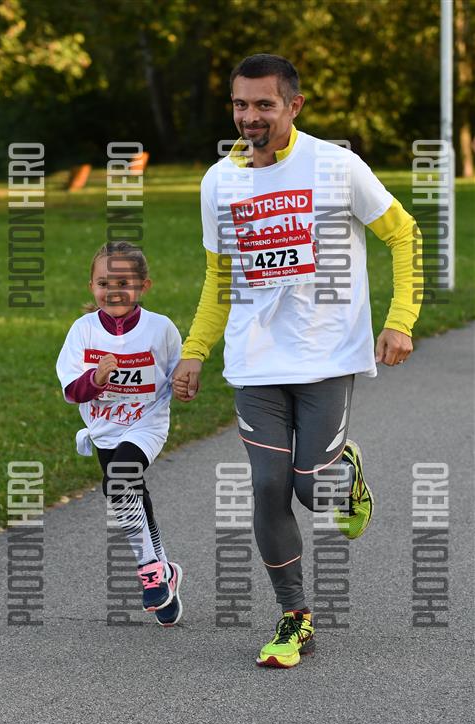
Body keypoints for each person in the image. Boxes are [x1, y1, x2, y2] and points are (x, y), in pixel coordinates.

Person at [173, 54, 423, 666]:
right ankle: (295, 617)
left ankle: (344, 473)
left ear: (294, 105)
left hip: (326, 355)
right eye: (240, 104)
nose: (250, 116)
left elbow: (404, 233)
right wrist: (195, 351)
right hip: (255, 361)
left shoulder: (335, 165)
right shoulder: (218, 182)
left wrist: (400, 319)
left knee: (313, 489)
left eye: (264, 104)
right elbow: (219, 279)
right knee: (267, 487)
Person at [56, 241, 183, 626]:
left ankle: (148, 570)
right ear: (91, 286)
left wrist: (185, 385)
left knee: (119, 479)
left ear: (144, 285)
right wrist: (96, 379)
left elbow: (179, 376)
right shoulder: (83, 331)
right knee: (131, 494)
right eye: (103, 283)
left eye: (124, 283)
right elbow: (70, 391)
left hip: (146, 423)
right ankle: (164, 571)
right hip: (104, 428)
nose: (113, 291)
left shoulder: (161, 329)